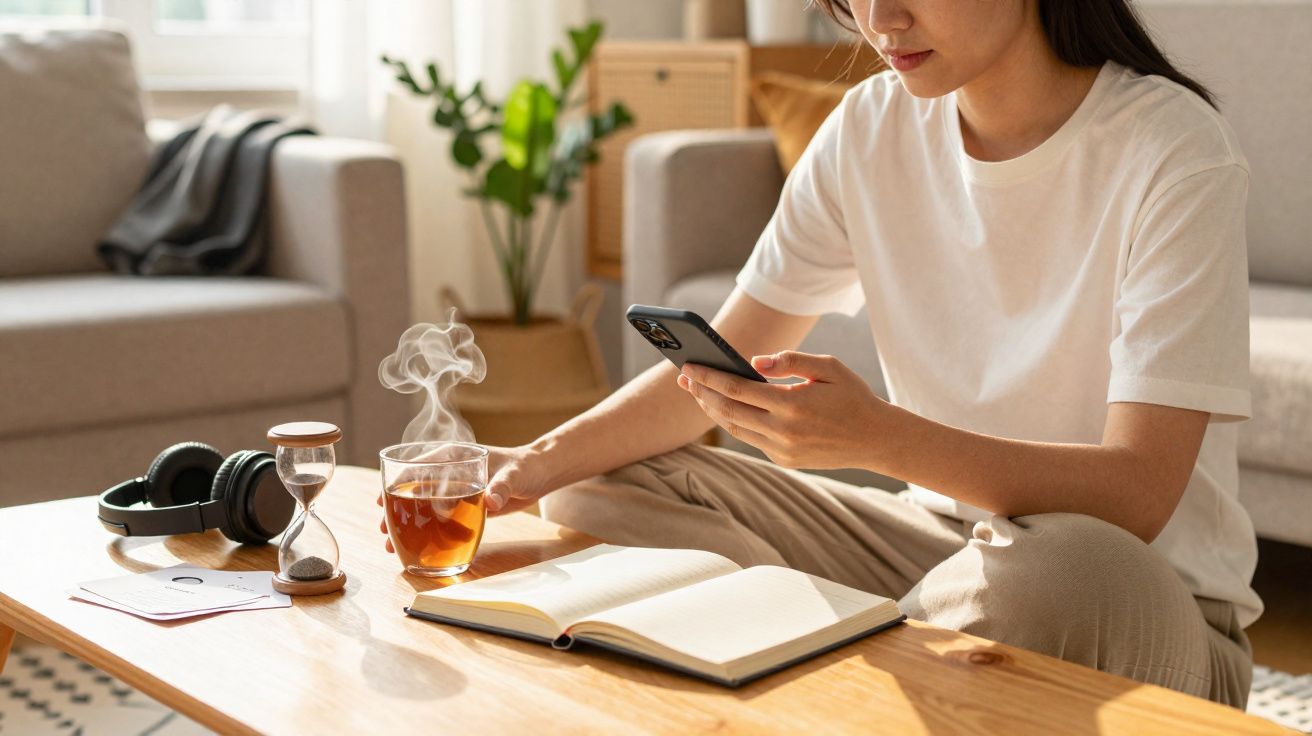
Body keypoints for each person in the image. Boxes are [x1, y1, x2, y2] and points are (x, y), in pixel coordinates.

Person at [383, 0, 1259, 707]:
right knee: (604, 481)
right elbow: (708, 375)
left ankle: (823, 667)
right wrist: (528, 466)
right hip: (939, 552)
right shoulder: (869, 128)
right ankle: (871, 662)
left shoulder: (1172, 149)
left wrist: (879, 438)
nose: (880, 19)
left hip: (1143, 596)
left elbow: (1138, 493)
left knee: (1060, 571)